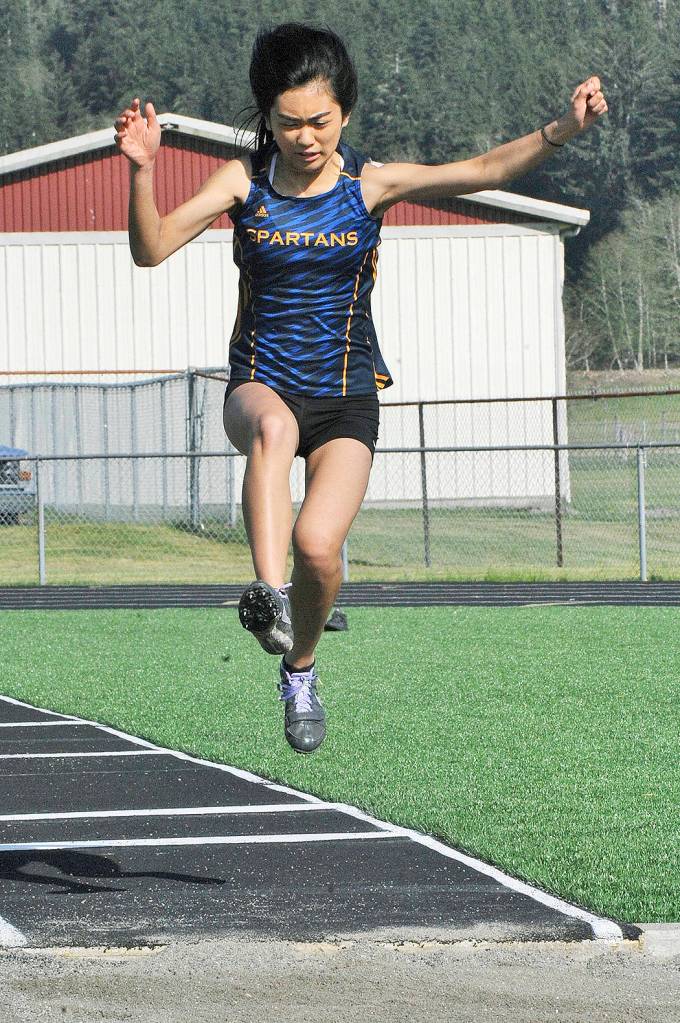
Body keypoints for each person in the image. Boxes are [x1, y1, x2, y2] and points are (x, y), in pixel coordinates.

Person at [114, 22, 607, 755]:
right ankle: (267, 597)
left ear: (344, 112)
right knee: (274, 434)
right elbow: (150, 249)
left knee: (319, 546)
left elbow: (485, 170)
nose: (304, 137)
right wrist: (142, 170)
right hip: (260, 383)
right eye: (287, 123)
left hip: (346, 397)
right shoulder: (241, 184)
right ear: (266, 118)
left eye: (319, 121)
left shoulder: (368, 185)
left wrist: (562, 129)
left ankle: (300, 669)